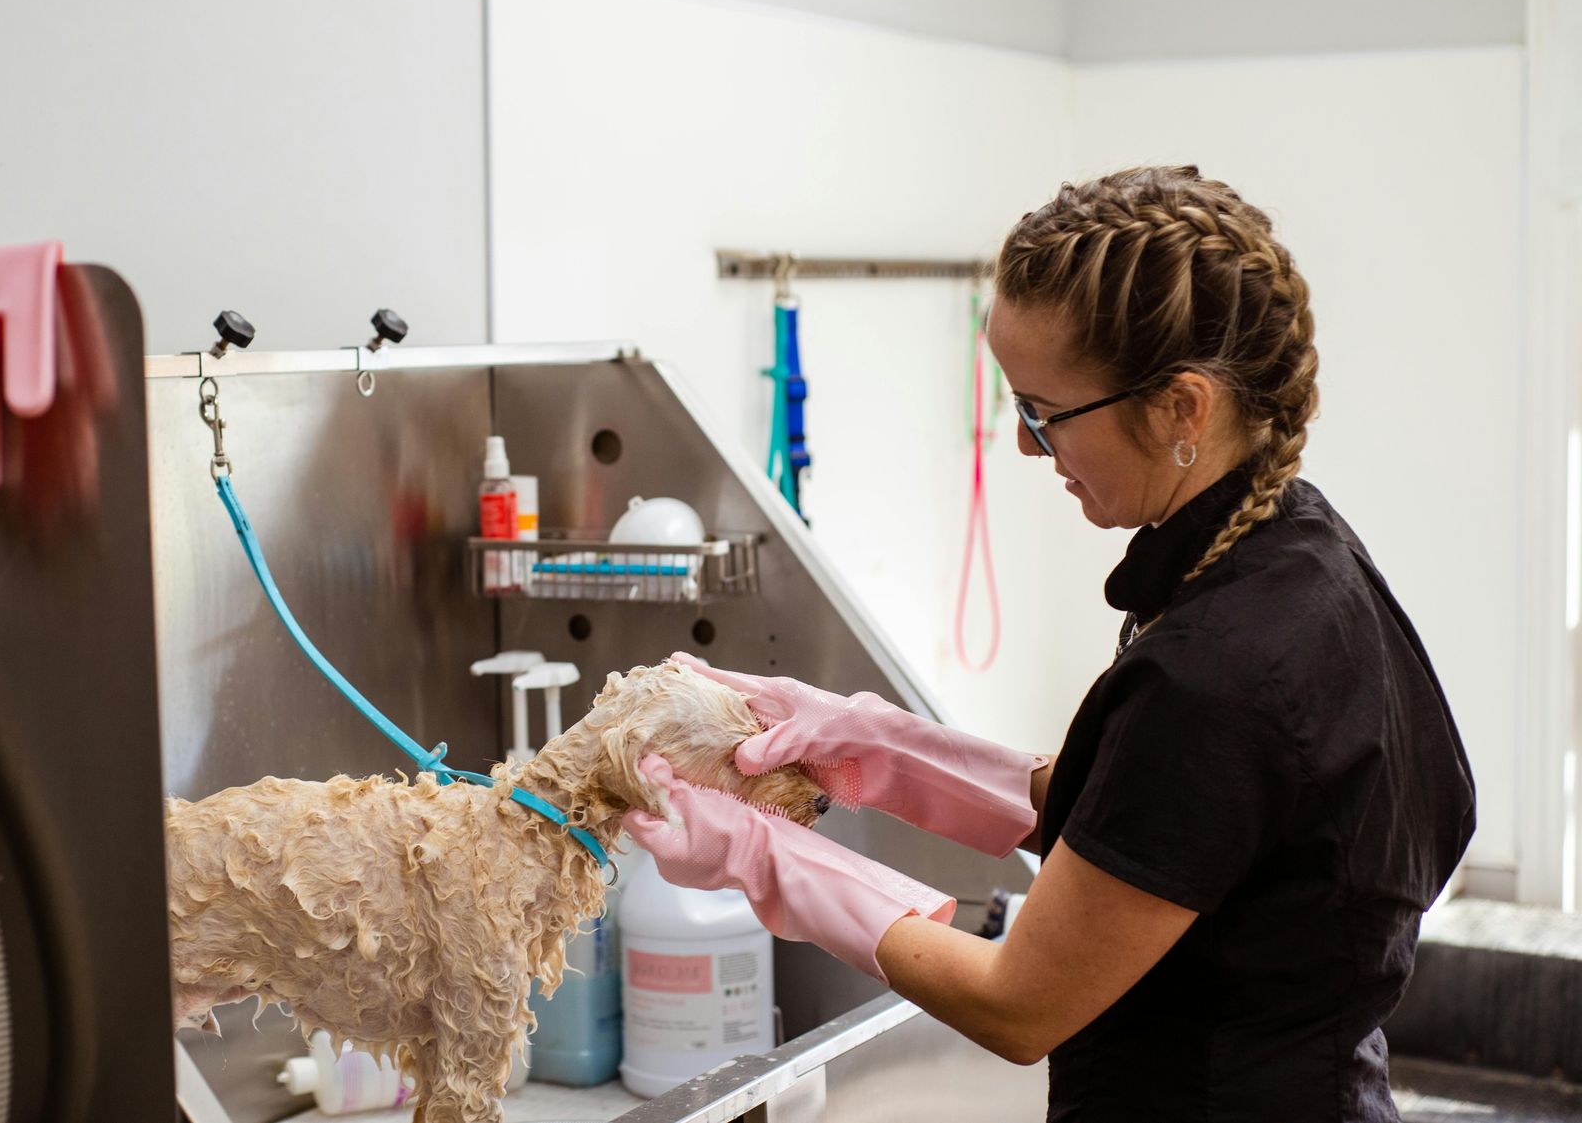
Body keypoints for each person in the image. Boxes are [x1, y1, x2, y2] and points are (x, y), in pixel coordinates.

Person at [625, 166, 1476, 1122]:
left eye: (1045, 411)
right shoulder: (1296, 551)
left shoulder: (1224, 671)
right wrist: (875, 747)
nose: (1030, 448)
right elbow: (1148, 818)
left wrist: (766, 855)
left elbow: (1015, 1002)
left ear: (1183, 409)